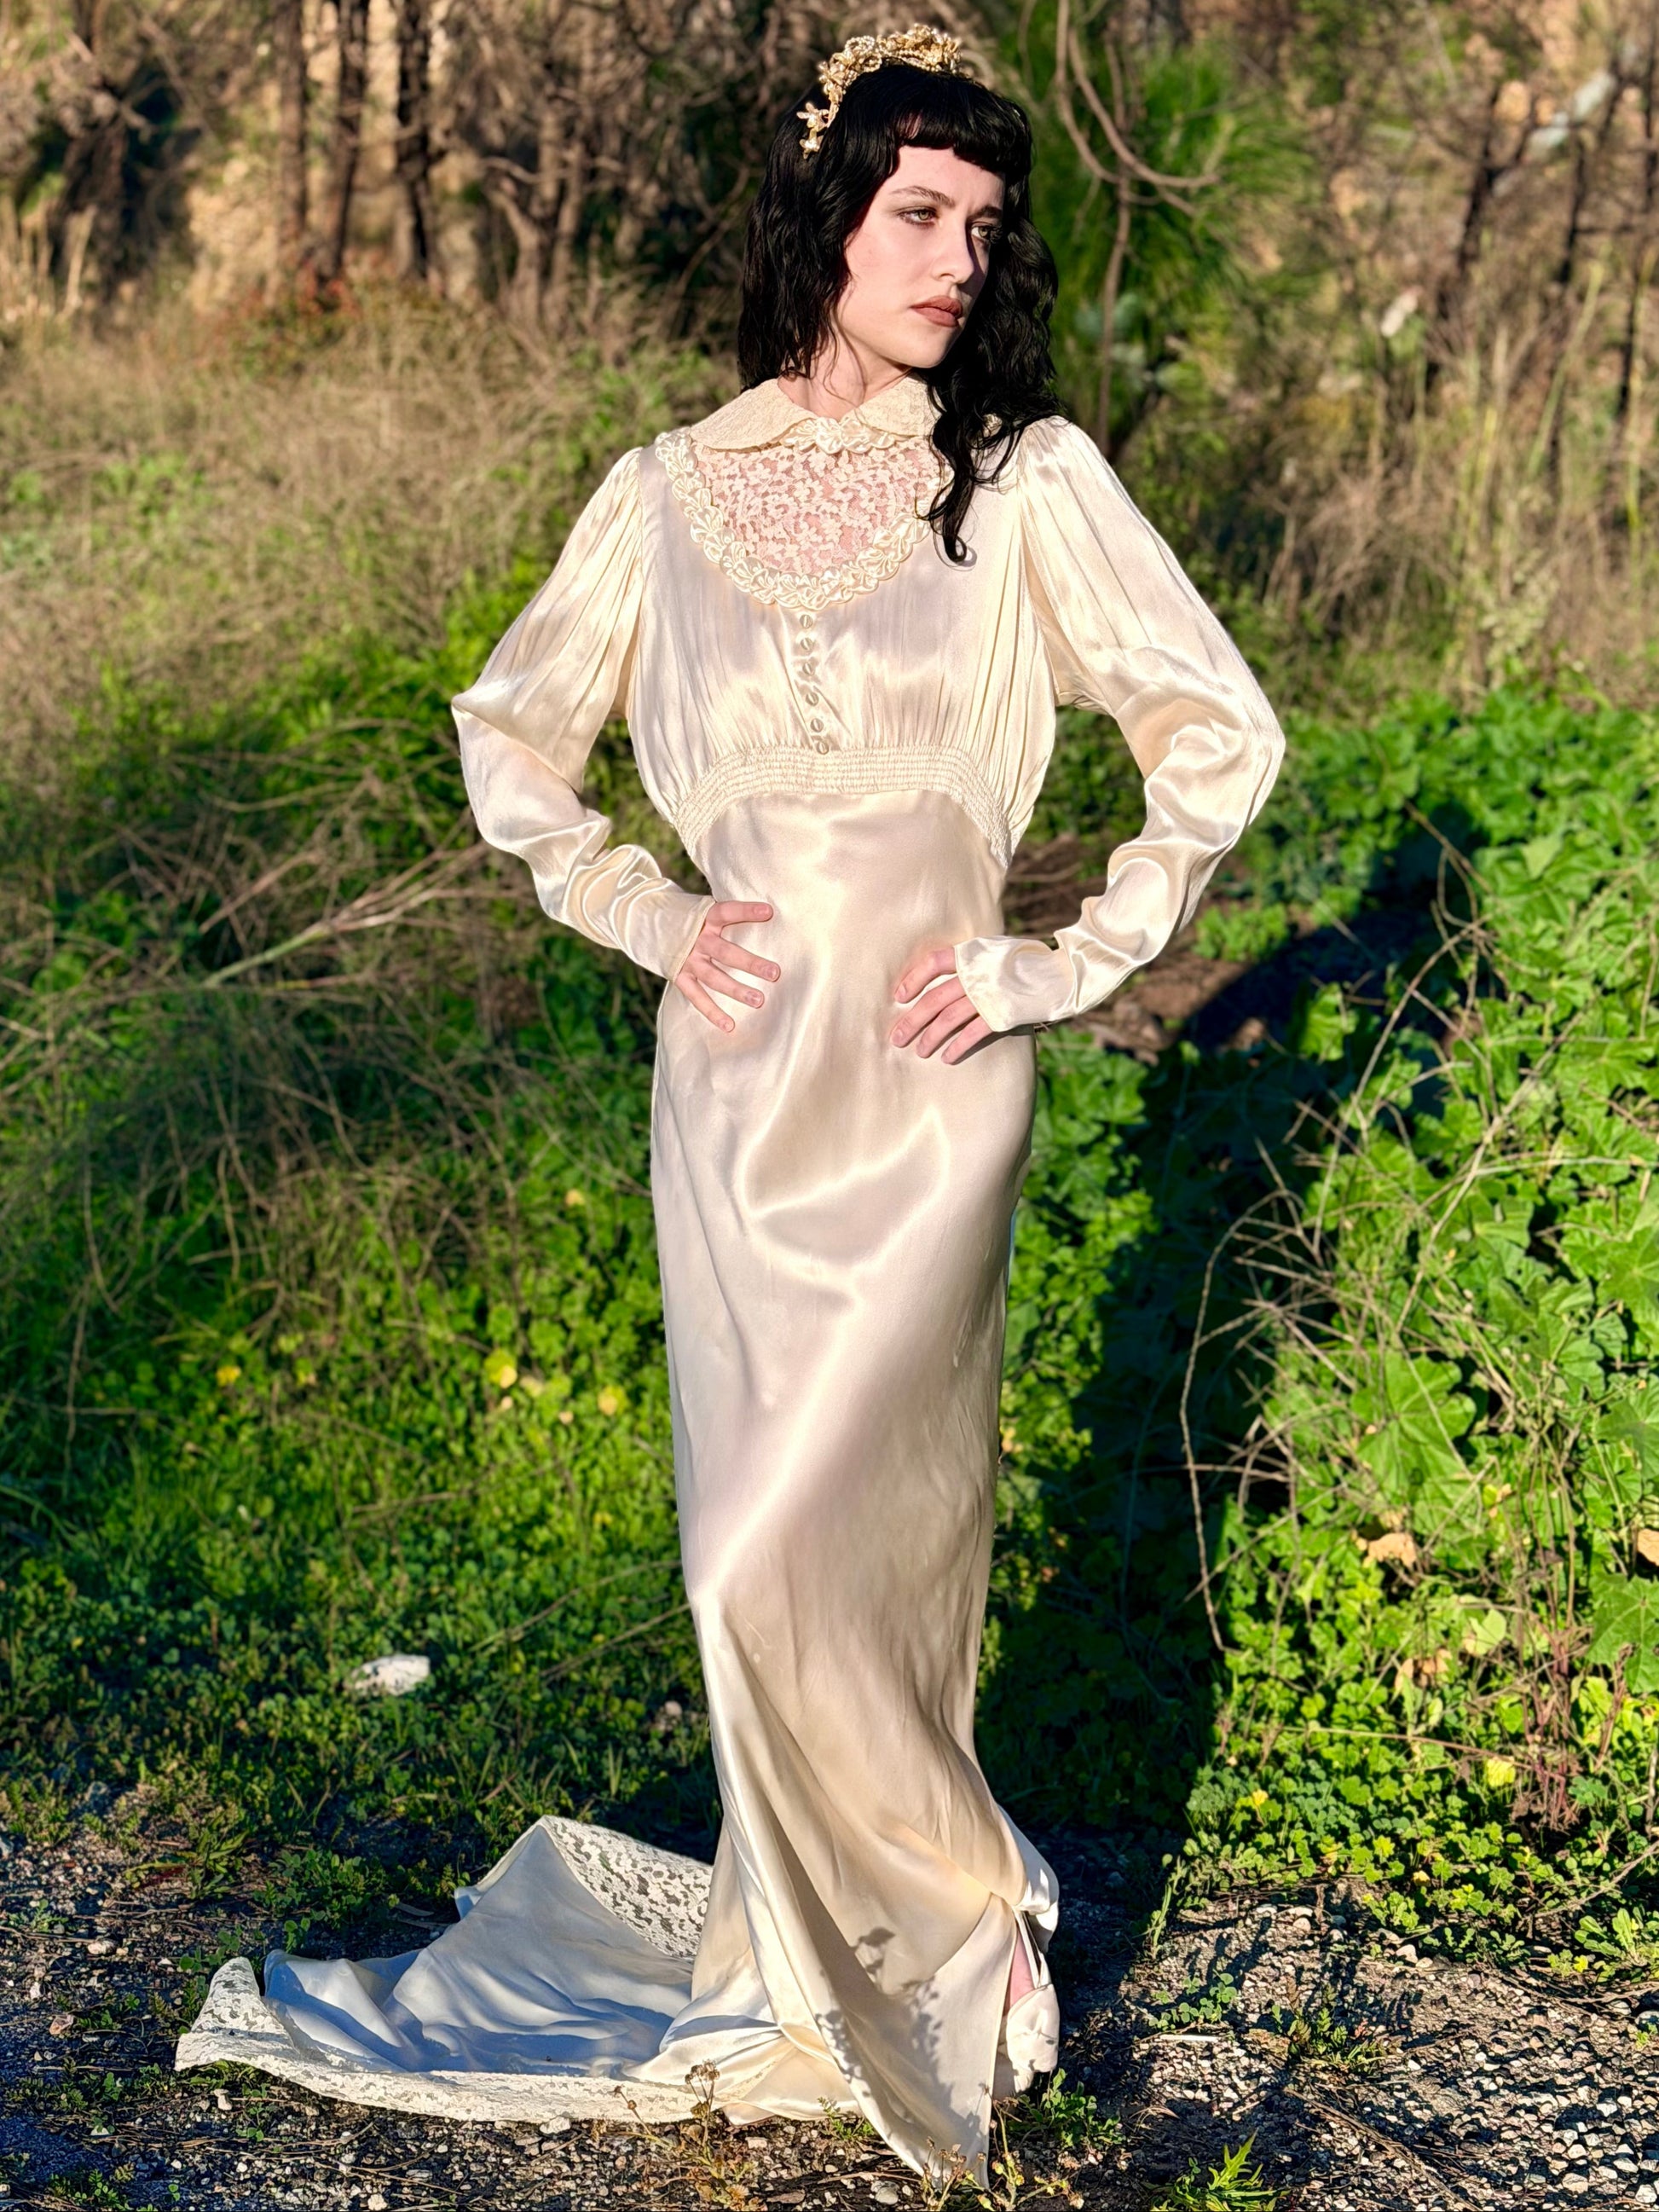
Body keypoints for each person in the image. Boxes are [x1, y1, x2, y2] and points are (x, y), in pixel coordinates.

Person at [176, 23, 1286, 2184]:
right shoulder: (663, 492)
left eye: (985, 223)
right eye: (916, 215)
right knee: (737, 1558)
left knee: (849, 1544)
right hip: (738, 1078)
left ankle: (945, 1931)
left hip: (931, 1071)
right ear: (827, 217)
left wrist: (1052, 958)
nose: (958, 258)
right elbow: (515, 731)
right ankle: (816, 1945)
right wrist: (642, 909)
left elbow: (1209, 731)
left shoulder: (1027, 478)